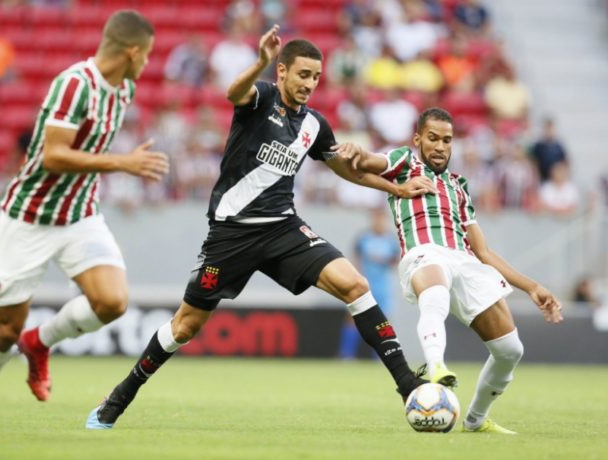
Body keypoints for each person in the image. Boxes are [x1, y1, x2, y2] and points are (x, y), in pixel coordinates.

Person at [85, 25, 437, 430]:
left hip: (283, 229)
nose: (309, 84)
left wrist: (397, 187)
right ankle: (121, 395)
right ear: (282, 72)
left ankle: (408, 386)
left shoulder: (315, 125)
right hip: (231, 234)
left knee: (355, 286)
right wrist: (259, 63)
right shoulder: (261, 97)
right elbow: (233, 93)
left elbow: (347, 169)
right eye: (302, 75)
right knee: (185, 326)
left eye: (316, 78)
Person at [0, 10, 169, 440]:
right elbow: (53, 155)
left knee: (112, 302)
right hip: (30, 216)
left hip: (79, 214)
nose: (147, 64)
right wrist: (122, 163)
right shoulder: (74, 84)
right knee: (4, 332)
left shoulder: (123, 89)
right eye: (146, 55)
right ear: (132, 51)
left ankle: (40, 342)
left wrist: (115, 167)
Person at [332, 107, 564, 434]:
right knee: (436, 289)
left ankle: (476, 420)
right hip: (423, 252)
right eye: (432, 138)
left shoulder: (459, 187)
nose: (440, 146)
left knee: (510, 350)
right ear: (418, 139)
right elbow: (363, 163)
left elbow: (482, 251)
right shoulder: (404, 162)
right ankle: (436, 366)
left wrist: (532, 287)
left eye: (447, 140)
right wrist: (358, 151)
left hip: (464, 261)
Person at [339, 207, 400, 359]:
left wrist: (385, 261)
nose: (379, 222)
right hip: (365, 285)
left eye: (381, 219)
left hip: (383, 287)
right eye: (376, 218)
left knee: (383, 322)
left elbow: (396, 261)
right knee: (353, 318)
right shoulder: (364, 238)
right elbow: (356, 258)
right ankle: (346, 354)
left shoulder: (390, 240)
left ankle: (381, 356)